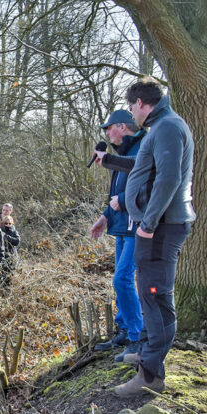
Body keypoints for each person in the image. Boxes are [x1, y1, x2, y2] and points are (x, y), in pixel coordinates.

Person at [111, 79, 195, 397]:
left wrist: (148, 222)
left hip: (161, 227)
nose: (131, 113)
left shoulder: (168, 127)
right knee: (148, 292)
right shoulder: (159, 128)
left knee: (157, 297)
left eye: (132, 107)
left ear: (142, 103)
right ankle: (146, 352)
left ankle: (150, 375)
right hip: (156, 226)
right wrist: (111, 161)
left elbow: (169, 177)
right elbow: (144, 167)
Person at [89, 109, 147, 363]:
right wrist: (105, 217)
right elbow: (116, 191)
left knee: (122, 279)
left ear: (122, 126)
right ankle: (124, 328)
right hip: (121, 226)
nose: (106, 133)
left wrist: (121, 202)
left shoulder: (143, 147)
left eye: (108, 128)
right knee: (120, 278)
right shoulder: (122, 153)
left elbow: (147, 185)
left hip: (137, 225)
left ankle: (137, 336)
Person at [0, 215, 21, 291]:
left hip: (11, 257)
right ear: (3, 223)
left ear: (12, 223)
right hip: (1, 257)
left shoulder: (14, 232)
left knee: (10, 276)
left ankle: (7, 291)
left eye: (9, 223)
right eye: (6, 223)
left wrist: (6, 236)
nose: (8, 225)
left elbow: (17, 241)